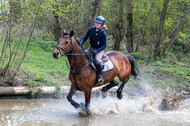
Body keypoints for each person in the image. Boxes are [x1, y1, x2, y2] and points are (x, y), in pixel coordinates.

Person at [80, 16, 108, 84]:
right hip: (91, 48)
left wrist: (97, 51)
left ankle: (99, 76)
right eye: (96, 23)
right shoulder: (91, 29)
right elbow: (84, 38)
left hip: (99, 50)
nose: (97, 24)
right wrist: (80, 45)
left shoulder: (103, 32)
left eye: (99, 23)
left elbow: (104, 45)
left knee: (97, 60)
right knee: (82, 56)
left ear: (102, 24)